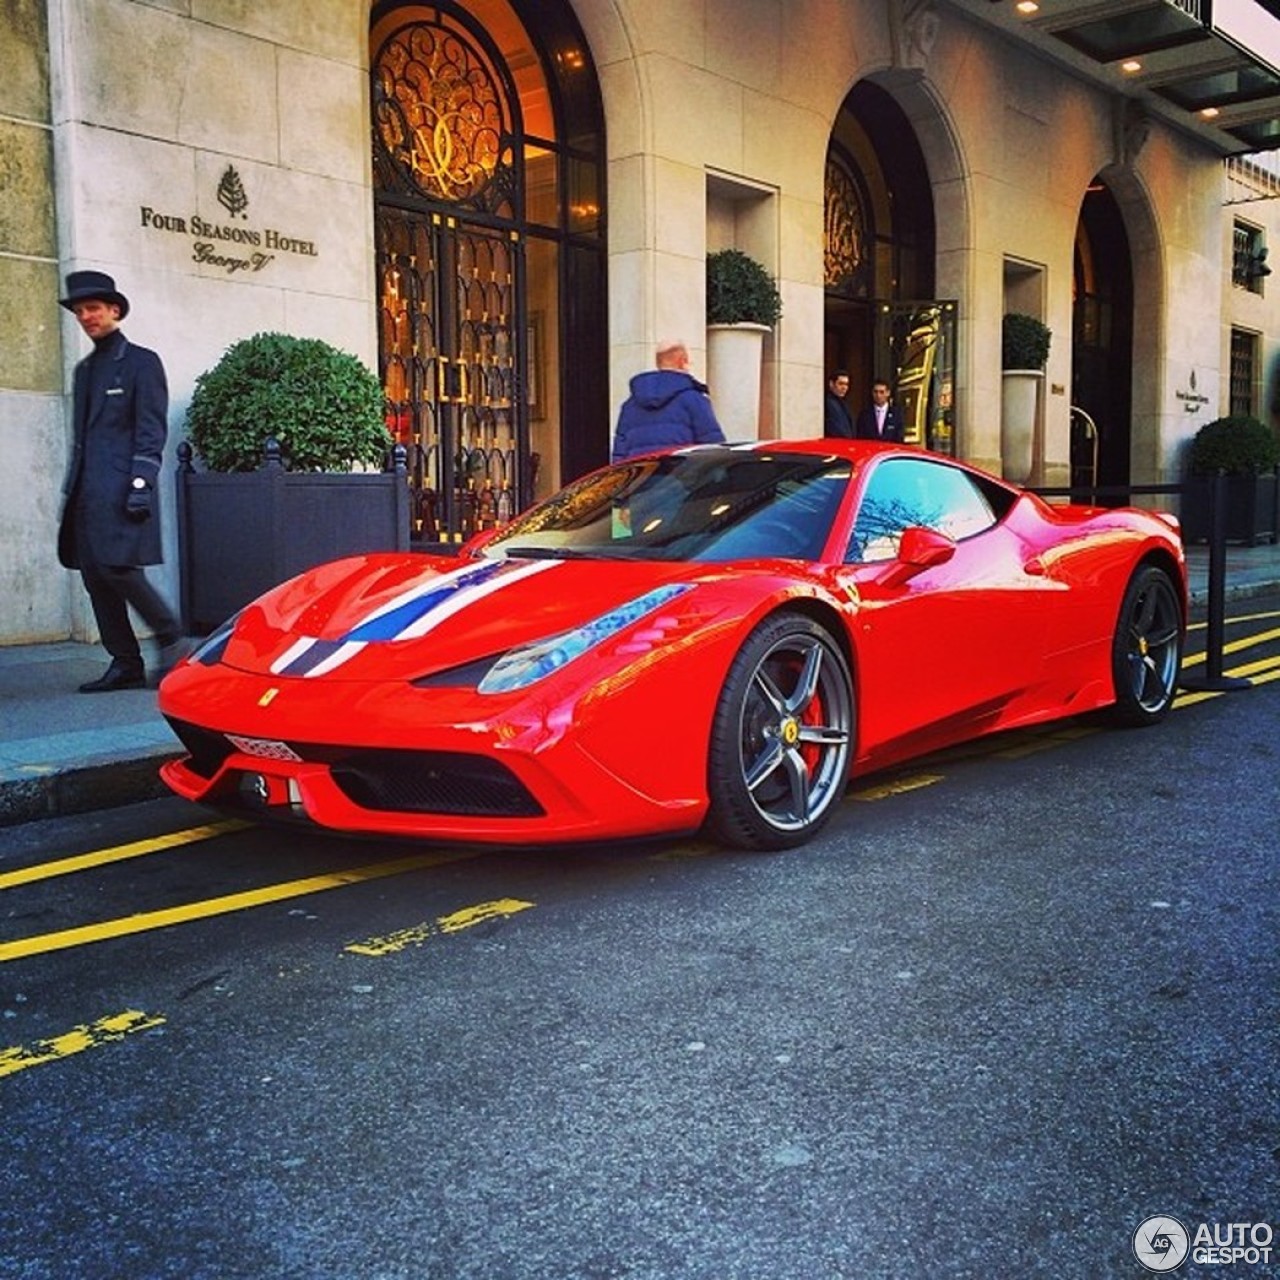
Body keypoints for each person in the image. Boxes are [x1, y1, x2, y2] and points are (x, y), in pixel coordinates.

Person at [56, 270, 188, 692]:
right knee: (95, 576)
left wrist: (140, 484)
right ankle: (124, 662)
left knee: (121, 570)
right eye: (80, 311)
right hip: (86, 493)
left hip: (121, 489)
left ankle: (173, 639)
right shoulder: (85, 370)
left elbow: (150, 431)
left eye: (93, 308)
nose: (86, 316)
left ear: (114, 310)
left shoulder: (141, 363)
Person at [611, 339, 726, 462]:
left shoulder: (629, 406)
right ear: (683, 361)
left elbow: (619, 456)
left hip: (644, 478)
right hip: (682, 477)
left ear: (658, 363)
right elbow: (713, 448)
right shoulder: (694, 399)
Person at [823, 370, 854, 438]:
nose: (844, 388)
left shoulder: (844, 404)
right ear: (831, 384)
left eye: (846, 384)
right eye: (840, 384)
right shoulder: (827, 402)